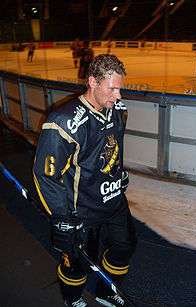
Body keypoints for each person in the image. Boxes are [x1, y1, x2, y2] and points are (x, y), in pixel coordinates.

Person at [33, 54, 137, 307]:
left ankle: (105, 290)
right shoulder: (63, 123)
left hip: (113, 201)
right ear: (92, 81)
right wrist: (61, 217)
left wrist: (116, 173)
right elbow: (46, 176)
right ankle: (72, 297)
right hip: (82, 211)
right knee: (77, 263)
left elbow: (109, 151)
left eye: (119, 88)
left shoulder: (117, 112)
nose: (118, 96)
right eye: (112, 88)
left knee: (125, 247)